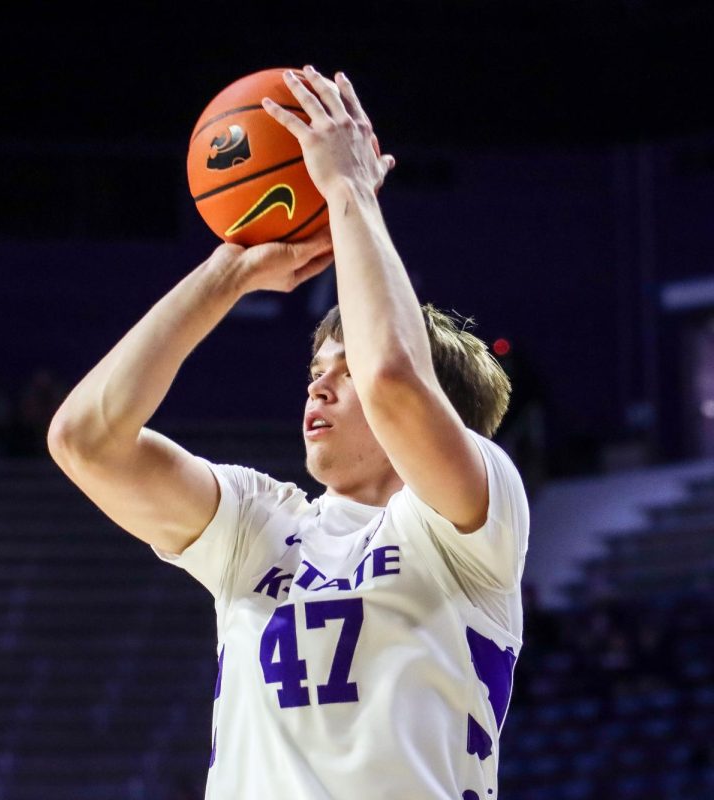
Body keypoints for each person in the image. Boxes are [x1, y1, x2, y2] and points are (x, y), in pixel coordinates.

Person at [47, 66, 529, 799]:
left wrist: (349, 193)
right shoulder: (259, 523)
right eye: (315, 368)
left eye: (343, 368)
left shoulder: (473, 524)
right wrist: (225, 278)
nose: (320, 384)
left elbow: (394, 381)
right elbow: (85, 441)